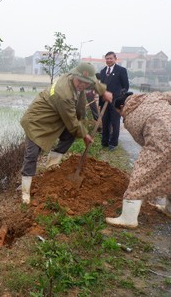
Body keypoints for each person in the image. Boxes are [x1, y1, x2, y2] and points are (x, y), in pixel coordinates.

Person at [105, 90, 171, 229]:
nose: (120, 115)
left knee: (141, 175)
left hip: (166, 138)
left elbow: (144, 142)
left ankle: (128, 219)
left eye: (119, 112)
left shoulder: (129, 118)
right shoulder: (154, 96)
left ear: (122, 106)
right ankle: (170, 209)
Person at [19, 62, 113, 204]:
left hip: (55, 117)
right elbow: (72, 121)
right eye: (79, 81)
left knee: (71, 134)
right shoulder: (64, 93)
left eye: (85, 83)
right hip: (37, 121)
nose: (82, 85)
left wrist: (103, 91)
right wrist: (85, 135)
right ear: (74, 76)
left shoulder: (79, 77)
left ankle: (52, 165)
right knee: (32, 154)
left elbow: (92, 81)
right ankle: (25, 192)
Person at [98, 52, 129, 151]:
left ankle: (113, 143)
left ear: (115, 59)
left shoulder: (121, 70)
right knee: (105, 122)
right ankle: (104, 142)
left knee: (115, 123)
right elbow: (100, 87)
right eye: (107, 59)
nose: (109, 60)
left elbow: (126, 87)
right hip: (104, 102)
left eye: (111, 58)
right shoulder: (102, 71)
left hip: (115, 102)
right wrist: (100, 102)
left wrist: (119, 96)